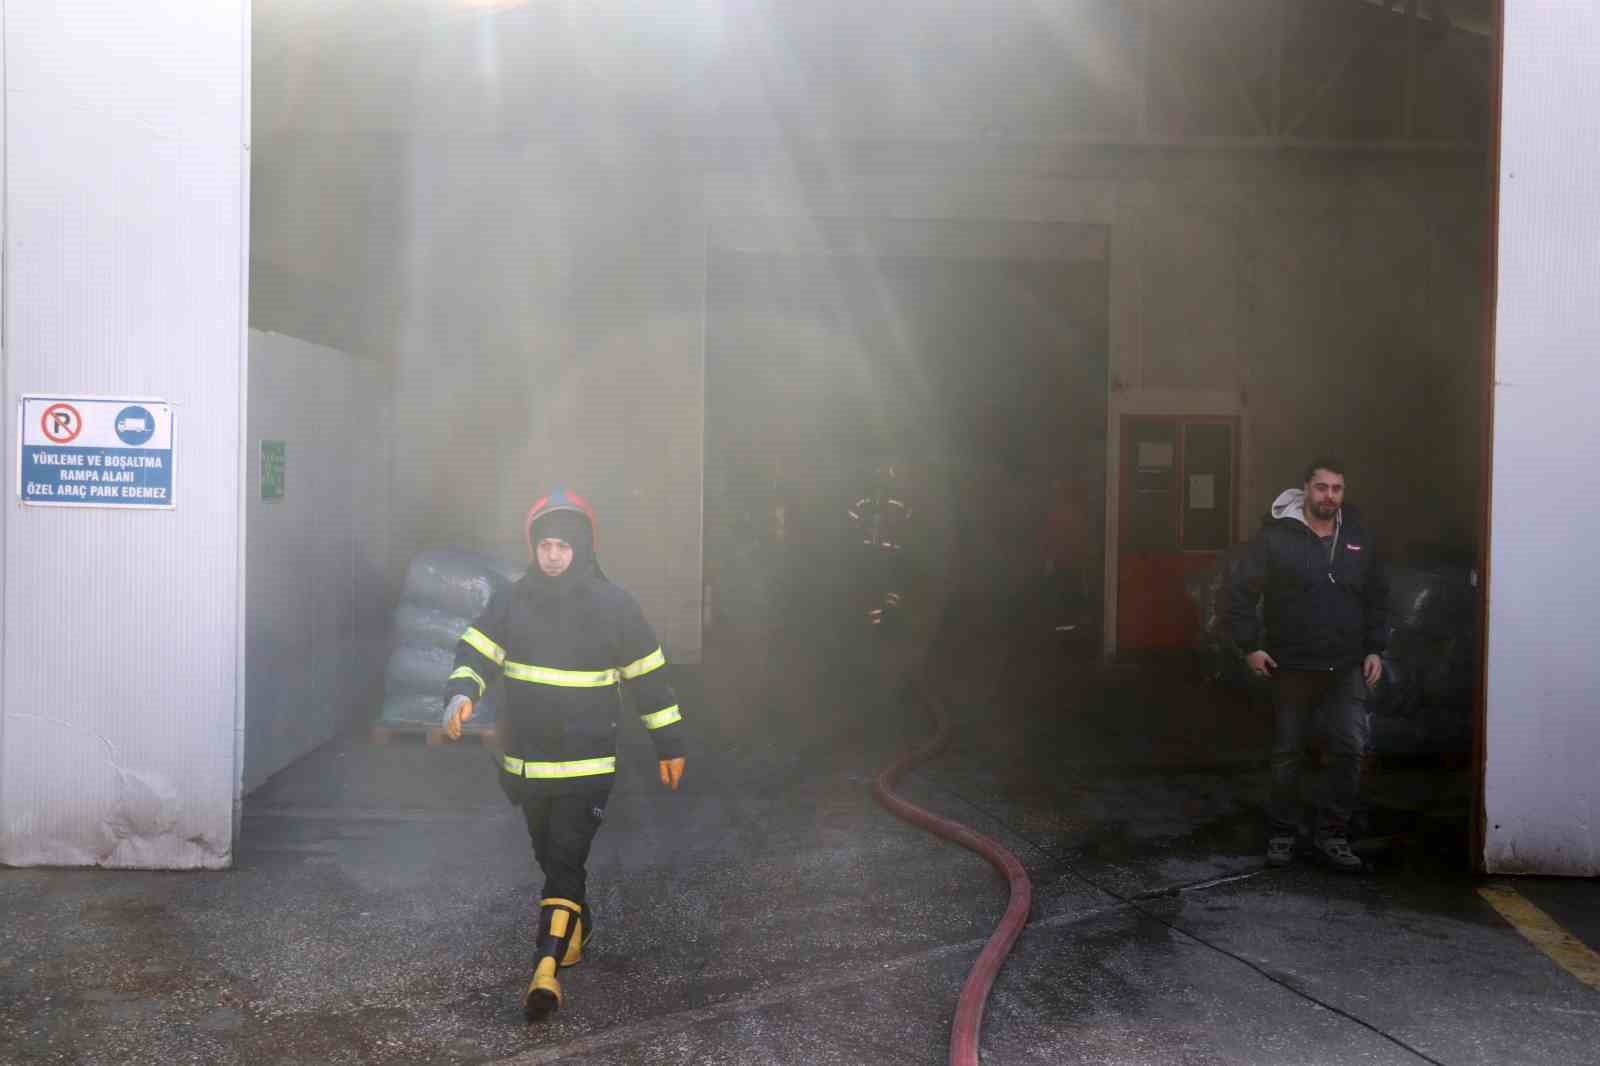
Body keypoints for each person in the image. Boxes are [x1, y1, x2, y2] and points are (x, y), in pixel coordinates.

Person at [441, 490, 687, 1020]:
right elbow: (476, 651)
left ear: (582, 549)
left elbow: (649, 678)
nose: (552, 555)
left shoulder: (614, 607)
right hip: (527, 767)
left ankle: (545, 971)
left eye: (562, 546)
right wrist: (462, 694)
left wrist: (670, 743)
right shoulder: (511, 600)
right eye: (544, 545)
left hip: (588, 766)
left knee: (565, 858)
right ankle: (577, 922)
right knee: (550, 856)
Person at [1229, 459, 1388, 872]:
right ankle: (1282, 833)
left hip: (1346, 665)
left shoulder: (1358, 537)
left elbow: (1376, 597)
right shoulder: (1276, 537)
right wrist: (1249, 646)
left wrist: (1375, 648)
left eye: (1336, 488)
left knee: (1349, 749)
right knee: (1287, 753)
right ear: (1306, 489)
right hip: (1292, 663)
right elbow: (1240, 593)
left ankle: (1333, 834)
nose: (1329, 496)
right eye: (1321, 488)